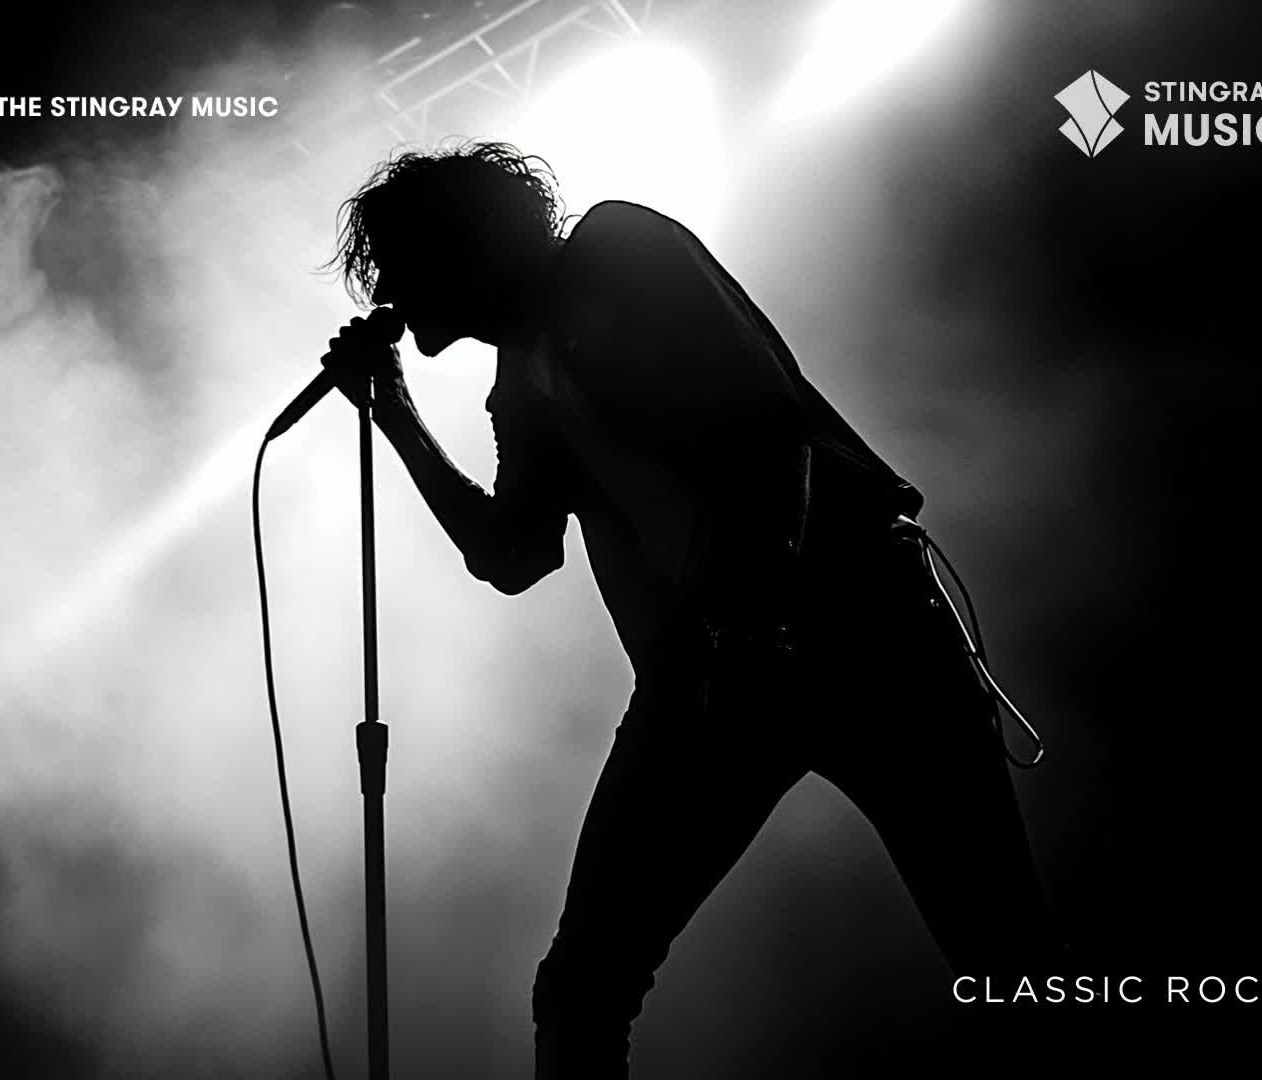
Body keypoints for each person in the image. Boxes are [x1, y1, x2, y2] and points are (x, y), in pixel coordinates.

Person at [319, 140, 1065, 1077]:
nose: (387, 290)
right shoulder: (518, 385)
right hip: (701, 684)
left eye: (399, 263)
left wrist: (758, 622)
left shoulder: (617, 249)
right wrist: (392, 411)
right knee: (584, 986)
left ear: (458, 245)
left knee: (1006, 959)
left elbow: (766, 422)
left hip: (864, 635)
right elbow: (511, 556)